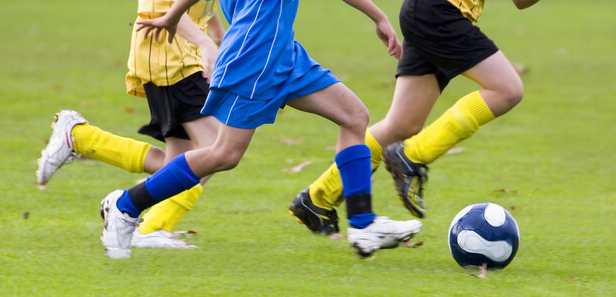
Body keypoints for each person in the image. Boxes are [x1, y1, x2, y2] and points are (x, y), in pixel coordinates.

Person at [100, 0, 422, 259]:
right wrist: (174, 16)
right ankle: (126, 206)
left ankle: (363, 224)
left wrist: (378, 17)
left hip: (283, 54)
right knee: (224, 154)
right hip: (251, 58)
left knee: (354, 116)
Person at [289, 0, 540, 236]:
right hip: (440, 13)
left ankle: (317, 197)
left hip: (426, 12)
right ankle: (413, 154)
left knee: (402, 124)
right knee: (507, 90)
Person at [37, 1, 225, 249]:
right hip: (172, 57)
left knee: (178, 164)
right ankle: (147, 224)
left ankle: (81, 137)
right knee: (216, 150)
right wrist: (205, 42)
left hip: (181, 55)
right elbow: (161, 7)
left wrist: (218, 34)